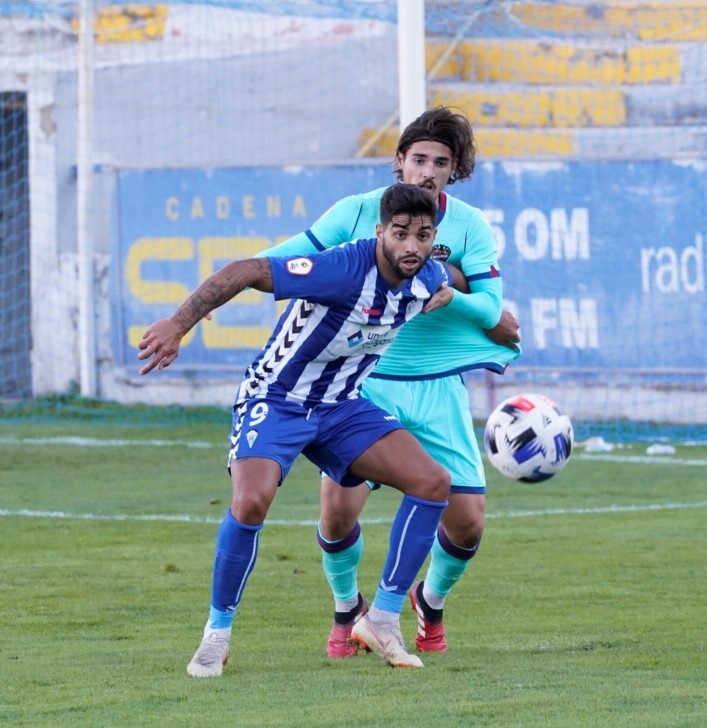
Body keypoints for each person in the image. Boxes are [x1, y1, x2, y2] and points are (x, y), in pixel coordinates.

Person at [138, 184, 469, 674]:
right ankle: (216, 634)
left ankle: (381, 618)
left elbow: (453, 275)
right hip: (276, 399)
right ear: (380, 232)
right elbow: (246, 271)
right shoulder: (340, 269)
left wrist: (450, 292)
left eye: (422, 236)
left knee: (432, 482)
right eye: (400, 235)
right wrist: (179, 322)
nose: (411, 247)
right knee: (250, 502)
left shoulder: (426, 276)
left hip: (341, 407)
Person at [259, 106, 521, 658]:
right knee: (337, 510)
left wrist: (456, 296)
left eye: (440, 163)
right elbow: (287, 256)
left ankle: (430, 600)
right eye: (418, 159)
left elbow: (493, 308)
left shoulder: (469, 226)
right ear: (399, 162)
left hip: (438, 385)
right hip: (361, 382)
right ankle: (347, 609)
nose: (427, 171)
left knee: (469, 522)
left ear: (455, 171)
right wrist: (234, 280)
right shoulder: (356, 213)